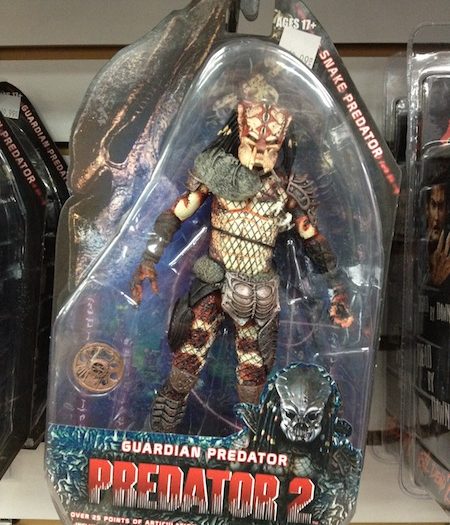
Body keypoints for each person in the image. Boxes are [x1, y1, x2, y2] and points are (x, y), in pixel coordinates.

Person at [131, 99, 353, 432]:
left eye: (270, 150)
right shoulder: (218, 179)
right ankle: (159, 431)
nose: (259, 157)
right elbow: (176, 213)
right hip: (213, 283)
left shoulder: (284, 191)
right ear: (239, 141)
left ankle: (253, 438)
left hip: (256, 292)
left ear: (280, 148)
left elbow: (311, 237)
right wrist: (149, 259)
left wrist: (337, 286)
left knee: (253, 371)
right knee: (188, 358)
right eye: (251, 147)